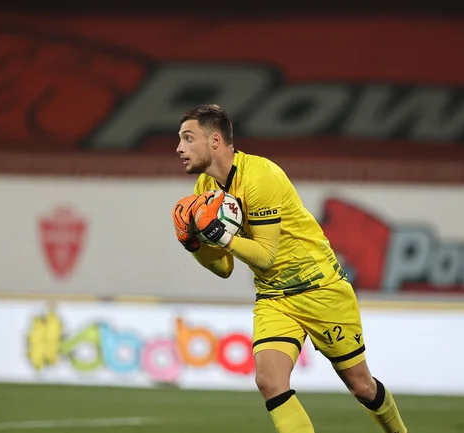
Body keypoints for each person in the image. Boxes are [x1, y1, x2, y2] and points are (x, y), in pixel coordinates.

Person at [171, 104, 407, 433]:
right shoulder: (204, 191)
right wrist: (194, 245)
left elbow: (265, 255)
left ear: (214, 141)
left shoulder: (260, 177)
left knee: (361, 386)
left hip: (320, 288)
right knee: (269, 381)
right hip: (275, 297)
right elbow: (223, 267)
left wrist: (220, 237)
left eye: (187, 138)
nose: (179, 148)